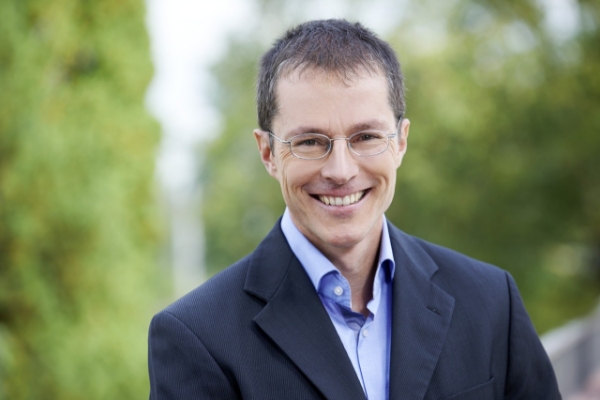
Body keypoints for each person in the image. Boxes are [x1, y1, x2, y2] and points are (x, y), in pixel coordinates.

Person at [148, 19, 561, 399]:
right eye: (310, 142)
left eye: (366, 137)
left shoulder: (491, 302)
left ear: (400, 142)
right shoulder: (195, 338)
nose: (341, 171)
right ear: (268, 152)